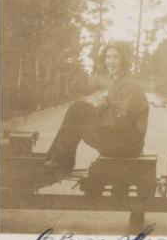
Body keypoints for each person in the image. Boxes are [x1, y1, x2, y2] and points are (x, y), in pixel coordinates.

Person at [44, 41, 149, 174]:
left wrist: (102, 106)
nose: (110, 61)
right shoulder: (119, 82)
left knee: (78, 109)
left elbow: (118, 122)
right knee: (78, 109)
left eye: (115, 57)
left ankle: (60, 161)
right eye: (108, 57)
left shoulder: (129, 85)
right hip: (122, 140)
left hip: (126, 144)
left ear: (124, 60)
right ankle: (58, 159)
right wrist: (102, 106)